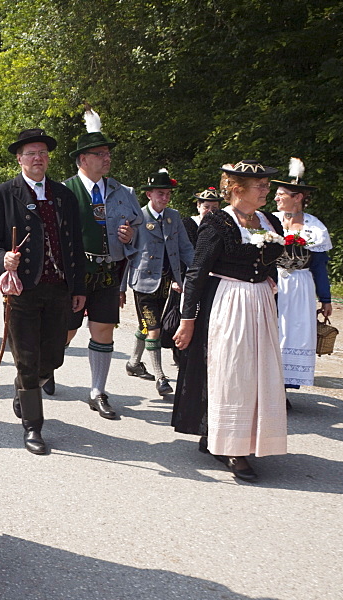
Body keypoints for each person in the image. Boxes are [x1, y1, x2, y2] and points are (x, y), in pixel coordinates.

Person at [173, 159, 288, 482]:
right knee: (232, 370)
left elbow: (272, 264)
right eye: (260, 186)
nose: (267, 190)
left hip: (261, 301)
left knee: (259, 369)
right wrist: (188, 319)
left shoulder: (269, 222)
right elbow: (196, 273)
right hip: (229, 301)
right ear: (237, 190)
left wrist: (272, 294)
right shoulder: (218, 223)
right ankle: (229, 446)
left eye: (267, 185)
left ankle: (249, 437)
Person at [0, 129, 86, 455]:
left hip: (59, 288)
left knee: (52, 358)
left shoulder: (64, 195)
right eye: (30, 153)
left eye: (41, 152)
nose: (37, 158)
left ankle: (22, 391)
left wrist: (79, 286)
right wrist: (4, 259)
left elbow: (76, 246)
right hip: (23, 291)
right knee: (27, 359)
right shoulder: (4, 194)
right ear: (19, 159)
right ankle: (33, 427)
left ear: (48, 158)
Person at [62, 108, 139, 417]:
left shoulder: (122, 191)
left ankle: (97, 391)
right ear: (83, 159)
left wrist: (129, 235)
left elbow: (138, 229)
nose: (107, 158)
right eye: (100, 154)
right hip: (76, 274)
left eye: (108, 153)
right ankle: (49, 368)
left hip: (108, 271)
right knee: (65, 333)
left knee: (103, 330)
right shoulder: (66, 191)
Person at [125, 169, 194, 397]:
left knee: (146, 325)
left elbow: (185, 248)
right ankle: (160, 377)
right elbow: (127, 252)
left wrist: (197, 272)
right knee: (154, 329)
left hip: (166, 282)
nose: (164, 198)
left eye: (167, 194)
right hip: (143, 282)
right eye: (160, 194)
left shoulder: (174, 216)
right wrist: (119, 288)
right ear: (149, 195)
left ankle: (134, 363)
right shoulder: (138, 218)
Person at [272, 158, 332, 394]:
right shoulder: (269, 221)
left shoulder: (314, 229)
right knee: (269, 330)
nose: (276, 198)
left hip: (299, 287)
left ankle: (283, 389)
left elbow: (319, 266)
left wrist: (325, 299)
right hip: (272, 282)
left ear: (297, 197)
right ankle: (264, 385)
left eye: (281, 194)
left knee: (293, 332)